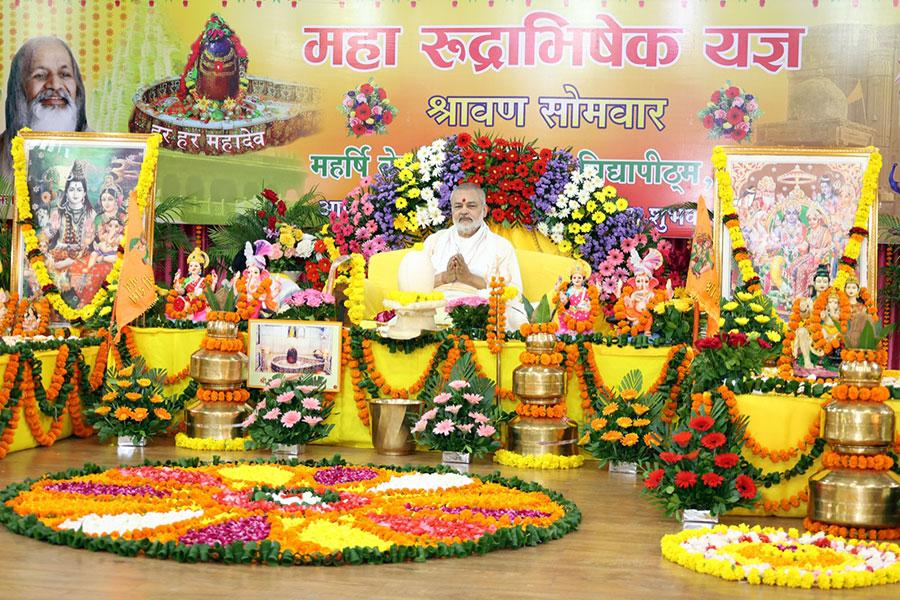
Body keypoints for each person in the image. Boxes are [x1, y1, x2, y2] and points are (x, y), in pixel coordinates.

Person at [412, 183, 525, 328]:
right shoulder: (435, 241)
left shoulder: (501, 247)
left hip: (479, 312)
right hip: (435, 308)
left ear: (484, 210)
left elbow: (514, 294)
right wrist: (444, 277)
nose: (464, 211)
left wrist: (469, 279)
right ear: (452, 210)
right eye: (458, 206)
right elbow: (415, 285)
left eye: (471, 206)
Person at [0, 37, 90, 183]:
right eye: (40, 75)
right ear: (20, 88)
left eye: (65, 75)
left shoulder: (101, 150)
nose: (55, 85)